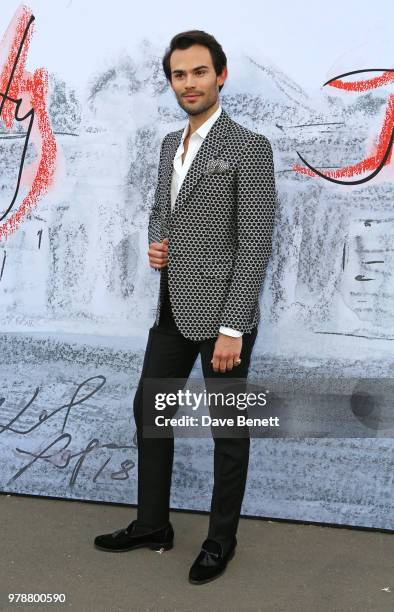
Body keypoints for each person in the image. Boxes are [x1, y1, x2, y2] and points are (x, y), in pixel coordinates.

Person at [94, 29, 277, 585]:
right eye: (179, 74)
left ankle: (221, 541)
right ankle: (153, 525)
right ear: (170, 81)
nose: (189, 83)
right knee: (150, 414)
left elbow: (254, 243)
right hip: (172, 310)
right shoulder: (168, 144)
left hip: (223, 317)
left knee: (227, 432)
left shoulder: (249, 146)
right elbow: (158, 208)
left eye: (199, 72)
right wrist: (159, 242)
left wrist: (232, 328)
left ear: (221, 76)